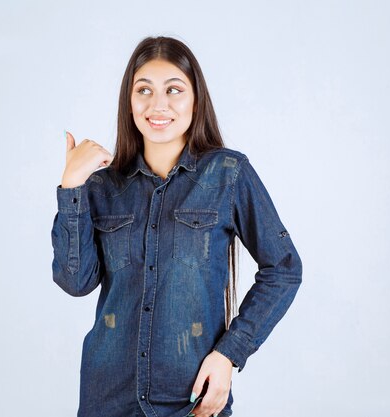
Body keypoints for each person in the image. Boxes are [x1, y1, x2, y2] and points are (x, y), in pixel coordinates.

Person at [51, 35, 303, 417]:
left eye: (174, 90)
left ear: (195, 99)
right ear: (129, 101)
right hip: (107, 398)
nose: (158, 105)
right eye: (144, 90)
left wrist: (228, 355)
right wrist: (71, 186)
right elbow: (75, 282)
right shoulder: (103, 185)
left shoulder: (228, 175)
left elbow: (284, 269)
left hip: (191, 400)